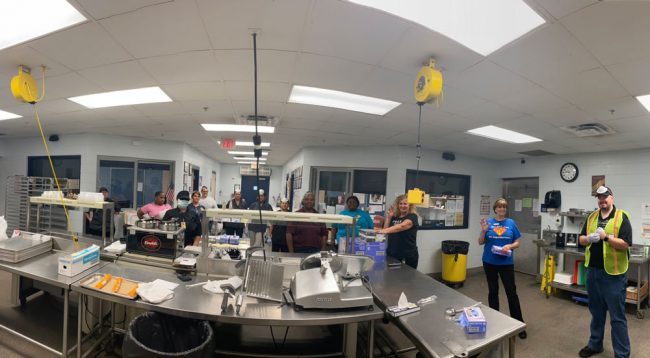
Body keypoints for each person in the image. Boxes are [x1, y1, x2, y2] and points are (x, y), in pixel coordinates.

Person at [578, 186, 632, 358]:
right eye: (599, 197)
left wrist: (606, 238)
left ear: (612, 198)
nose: (602, 200)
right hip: (593, 273)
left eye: (605, 197)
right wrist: (588, 239)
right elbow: (581, 239)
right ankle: (595, 345)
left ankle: (622, 354)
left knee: (617, 317)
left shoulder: (621, 217)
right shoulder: (591, 217)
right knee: (596, 312)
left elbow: (625, 244)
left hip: (613, 276)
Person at [478, 198, 526, 339]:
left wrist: (509, 246)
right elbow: (480, 242)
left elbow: (517, 242)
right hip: (489, 262)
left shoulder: (511, 223)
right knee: (493, 292)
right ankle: (494, 323)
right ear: (495, 209)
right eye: (499, 207)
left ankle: (519, 324)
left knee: (511, 293)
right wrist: (483, 231)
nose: (502, 209)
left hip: (506, 264)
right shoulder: (489, 223)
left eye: (504, 207)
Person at [377, 194, 419, 269]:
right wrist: (389, 218)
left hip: (408, 254)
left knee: (409, 277)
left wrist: (382, 231)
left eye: (405, 204)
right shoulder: (394, 216)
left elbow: (401, 226)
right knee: (393, 276)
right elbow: (386, 229)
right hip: (393, 252)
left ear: (410, 205)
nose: (402, 206)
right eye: (400, 203)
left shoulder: (412, 216)